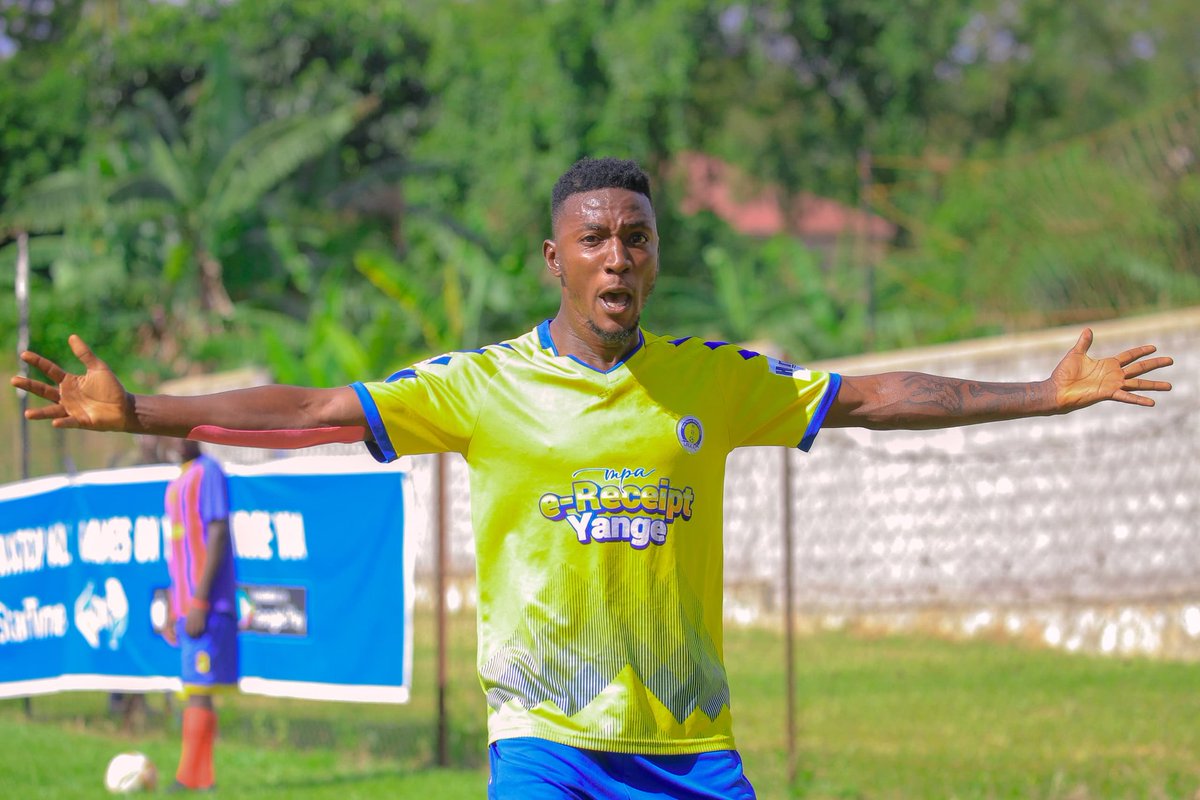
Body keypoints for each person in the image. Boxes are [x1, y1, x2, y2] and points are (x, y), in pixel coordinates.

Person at [11, 157, 1172, 799]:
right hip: (547, 745)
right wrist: (143, 411)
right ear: (555, 257)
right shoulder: (481, 385)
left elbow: (865, 396)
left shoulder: (710, 382)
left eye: (639, 236)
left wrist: (1041, 390)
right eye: (598, 237)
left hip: (691, 747)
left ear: (656, 256)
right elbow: (315, 408)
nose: (620, 254)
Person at [159, 436, 237, 792]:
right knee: (194, 688)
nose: (174, 438)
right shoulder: (177, 482)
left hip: (206, 605)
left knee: (200, 687)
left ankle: (191, 777)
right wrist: (174, 605)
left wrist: (200, 601)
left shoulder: (210, 473)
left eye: (181, 430)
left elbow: (219, 533)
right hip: (185, 606)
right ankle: (199, 779)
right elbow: (176, 551)